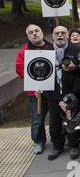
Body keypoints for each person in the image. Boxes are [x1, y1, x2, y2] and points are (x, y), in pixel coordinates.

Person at [46, 26, 80, 160]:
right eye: (57, 33)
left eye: (63, 33)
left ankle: (74, 145)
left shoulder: (77, 50)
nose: (60, 35)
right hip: (52, 92)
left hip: (71, 93)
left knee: (72, 121)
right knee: (54, 122)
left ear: (67, 35)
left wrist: (75, 67)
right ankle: (57, 146)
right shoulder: (46, 52)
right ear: (52, 36)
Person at [16, 24, 54, 155]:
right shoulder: (23, 52)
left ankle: (59, 138)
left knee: (57, 116)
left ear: (42, 32)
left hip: (53, 90)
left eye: (37, 30)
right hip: (35, 92)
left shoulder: (52, 47)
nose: (35, 34)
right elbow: (20, 70)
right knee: (37, 119)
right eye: (31, 32)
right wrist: (36, 80)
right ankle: (39, 141)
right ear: (28, 36)